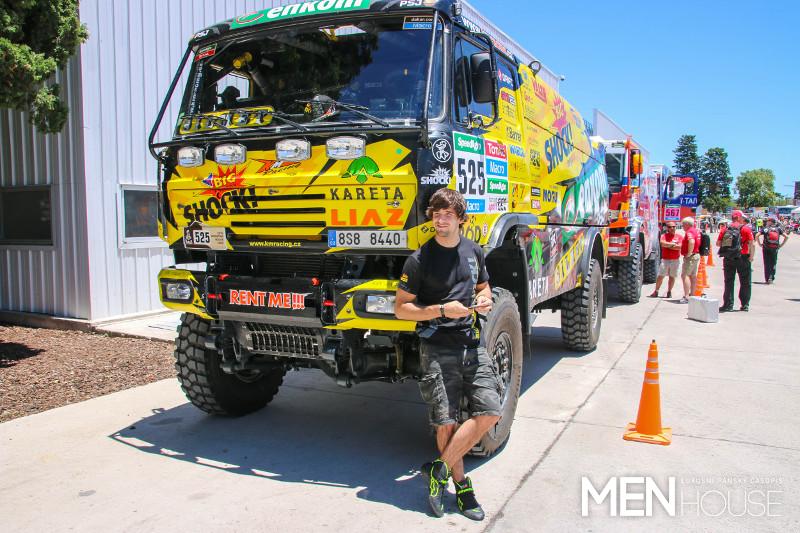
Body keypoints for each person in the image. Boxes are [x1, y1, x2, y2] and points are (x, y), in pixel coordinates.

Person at [394, 188, 500, 521]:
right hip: (437, 346)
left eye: (448, 215)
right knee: (446, 421)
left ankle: (438, 469)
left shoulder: (473, 251)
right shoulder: (419, 259)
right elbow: (401, 309)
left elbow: (483, 286)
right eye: (436, 214)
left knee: (490, 412)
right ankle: (462, 487)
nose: (440, 220)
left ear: (460, 219)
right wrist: (441, 309)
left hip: (471, 344)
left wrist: (485, 299)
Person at [717, 210, 756, 312]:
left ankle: (728, 305)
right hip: (743, 257)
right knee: (745, 282)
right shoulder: (746, 229)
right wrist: (751, 257)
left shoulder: (725, 228)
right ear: (739, 218)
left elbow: (718, 243)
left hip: (728, 257)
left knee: (729, 281)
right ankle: (744, 305)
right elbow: (752, 244)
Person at [649, 222, 683, 298]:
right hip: (665, 260)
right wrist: (673, 245)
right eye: (670, 227)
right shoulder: (663, 236)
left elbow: (679, 247)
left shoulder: (679, 237)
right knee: (660, 276)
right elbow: (662, 243)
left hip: (675, 260)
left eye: (673, 226)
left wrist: (668, 245)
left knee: (672, 276)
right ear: (667, 228)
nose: (672, 228)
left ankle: (669, 292)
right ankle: (656, 291)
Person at [757, 216, 789, 284]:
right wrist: (781, 245)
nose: (767, 222)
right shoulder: (778, 229)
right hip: (775, 248)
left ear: (770, 222)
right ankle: (771, 277)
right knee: (773, 262)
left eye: (768, 221)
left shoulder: (765, 229)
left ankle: (767, 278)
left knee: (767, 263)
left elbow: (757, 235)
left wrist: (759, 244)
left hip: (766, 247)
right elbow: (786, 236)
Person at [679, 217, 701, 303]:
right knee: (692, 275)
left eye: (683, 224)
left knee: (685, 275)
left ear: (687, 224)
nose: (682, 226)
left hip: (691, 256)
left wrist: (689, 253)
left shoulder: (689, 232)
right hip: (696, 255)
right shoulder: (696, 231)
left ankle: (686, 296)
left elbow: (691, 241)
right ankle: (692, 294)